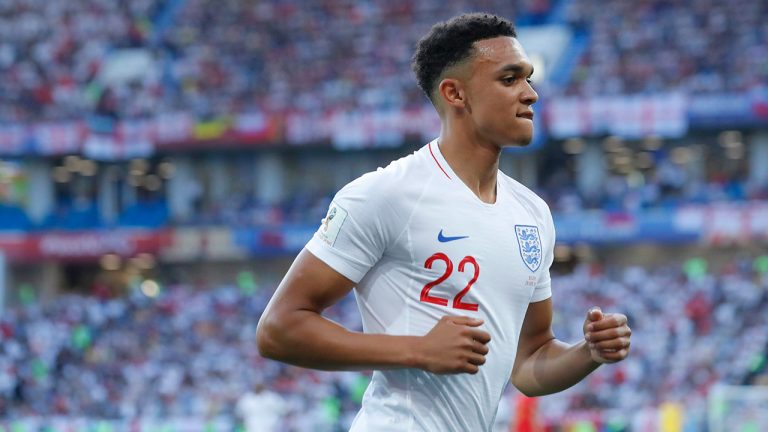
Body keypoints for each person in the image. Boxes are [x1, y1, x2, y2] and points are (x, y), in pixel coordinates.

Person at [257, 12, 632, 431]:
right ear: (455, 93)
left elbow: (529, 362)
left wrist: (589, 352)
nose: (531, 94)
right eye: (510, 79)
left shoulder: (532, 213)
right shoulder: (387, 193)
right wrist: (418, 350)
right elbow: (278, 329)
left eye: (528, 79)